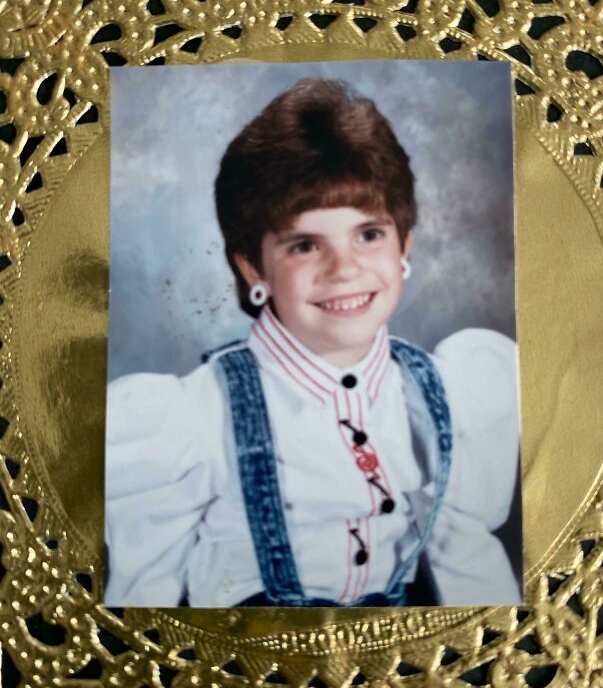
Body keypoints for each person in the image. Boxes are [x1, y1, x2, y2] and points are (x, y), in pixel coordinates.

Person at [104, 78, 521, 608]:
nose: (344, 269)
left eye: (369, 235)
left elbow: (467, 564)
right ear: (252, 266)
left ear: (404, 246)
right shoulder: (193, 417)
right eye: (305, 245)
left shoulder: (442, 391)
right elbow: (144, 600)